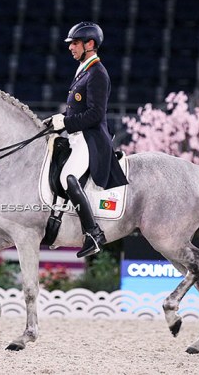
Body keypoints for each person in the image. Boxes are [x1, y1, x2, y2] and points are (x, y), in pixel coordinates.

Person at [48, 21, 128, 258]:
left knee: (68, 177)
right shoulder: (84, 68)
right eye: (71, 43)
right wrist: (59, 119)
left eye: (75, 43)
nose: (71, 47)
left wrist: (66, 123)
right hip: (76, 136)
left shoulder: (97, 73)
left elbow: (95, 114)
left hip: (90, 139)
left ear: (89, 44)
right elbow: (76, 110)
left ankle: (93, 233)